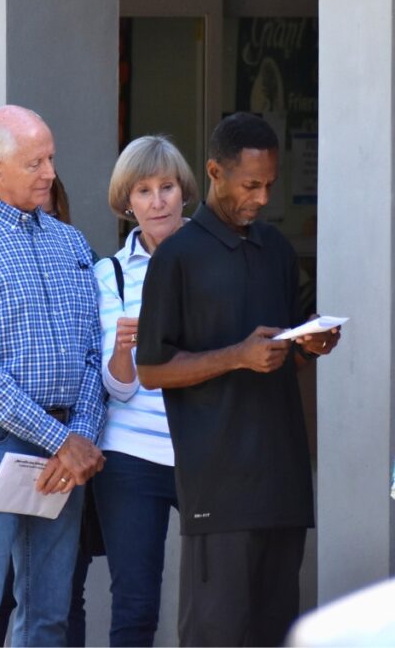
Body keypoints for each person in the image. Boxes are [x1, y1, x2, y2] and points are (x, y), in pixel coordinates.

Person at [136, 112, 341, 647]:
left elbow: (285, 350)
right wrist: (236, 357)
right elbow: (152, 369)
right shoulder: (176, 257)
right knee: (216, 635)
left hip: (284, 480)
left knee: (275, 635)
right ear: (214, 173)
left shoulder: (275, 249)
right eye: (251, 184)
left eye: (270, 184)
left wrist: (311, 346)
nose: (262, 197)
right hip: (218, 486)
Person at [0, 105, 105, 647]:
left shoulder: (70, 243)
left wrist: (80, 437)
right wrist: (65, 442)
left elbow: (94, 356)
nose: (49, 173)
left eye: (50, 158)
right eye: (34, 162)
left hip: (63, 448)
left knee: (49, 615)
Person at [79, 135, 197, 647]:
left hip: (205, 450)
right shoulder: (110, 274)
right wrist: (125, 352)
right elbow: (117, 389)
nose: (157, 201)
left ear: (184, 191)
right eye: (143, 191)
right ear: (126, 202)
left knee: (215, 601)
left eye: (167, 187)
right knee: (134, 603)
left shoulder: (213, 257)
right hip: (130, 456)